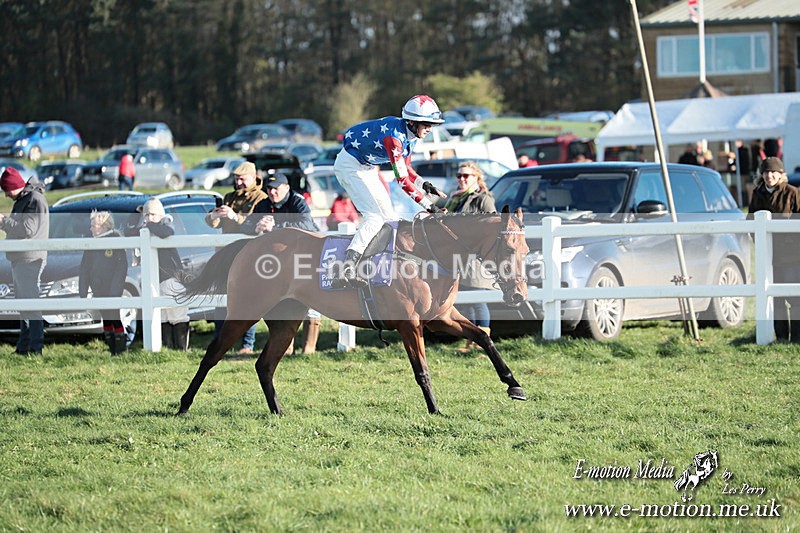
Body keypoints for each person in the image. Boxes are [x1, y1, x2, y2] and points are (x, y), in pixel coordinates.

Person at [333, 94, 448, 286]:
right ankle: (346, 268)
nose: (430, 128)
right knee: (374, 217)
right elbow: (401, 180)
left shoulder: (411, 135)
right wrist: (430, 207)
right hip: (350, 165)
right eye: (426, 123)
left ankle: (373, 264)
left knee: (390, 217)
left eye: (432, 124)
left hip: (367, 166)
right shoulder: (394, 139)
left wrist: (425, 185)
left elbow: (407, 170)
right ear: (412, 122)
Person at [246, 172, 323, 354]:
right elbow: (247, 224)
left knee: (310, 299)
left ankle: (308, 351)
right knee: (283, 302)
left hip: (306, 256)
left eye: (276, 188)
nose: (272, 192)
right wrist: (254, 227)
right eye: (269, 189)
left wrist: (275, 227)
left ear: (287, 188)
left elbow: (307, 226)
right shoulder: (263, 204)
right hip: (281, 262)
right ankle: (286, 348)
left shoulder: (297, 201)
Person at [205, 161, 267, 354]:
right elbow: (212, 223)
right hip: (225, 254)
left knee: (247, 298)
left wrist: (235, 217)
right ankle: (220, 341)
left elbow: (254, 223)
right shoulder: (229, 197)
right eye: (236, 178)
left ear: (254, 178)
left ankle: (247, 344)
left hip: (247, 255)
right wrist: (214, 217)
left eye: (243, 178)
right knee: (221, 297)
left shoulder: (261, 198)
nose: (239, 182)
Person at [444, 162, 496, 353]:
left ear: (477, 178)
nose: (462, 179)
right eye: (459, 175)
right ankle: (473, 341)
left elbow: (492, 224)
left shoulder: (483, 198)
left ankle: (484, 343)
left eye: (467, 175)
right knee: (466, 300)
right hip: (457, 257)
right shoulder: (456, 198)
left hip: (476, 257)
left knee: (478, 300)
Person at [125, 197, 190, 350]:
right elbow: (128, 231)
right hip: (154, 280)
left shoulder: (165, 223)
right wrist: (136, 214)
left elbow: (166, 232)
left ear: (160, 215)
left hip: (172, 277)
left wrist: (149, 225)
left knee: (177, 314)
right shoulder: (144, 229)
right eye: (147, 215)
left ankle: (181, 350)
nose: (149, 218)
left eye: (153, 215)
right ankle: (168, 350)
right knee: (162, 316)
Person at [747, 157, 800, 341]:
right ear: (762, 174)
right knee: (775, 299)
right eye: (766, 172)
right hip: (769, 256)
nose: (770, 175)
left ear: (780, 174)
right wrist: (760, 245)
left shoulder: (793, 193)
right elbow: (751, 221)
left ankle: (797, 337)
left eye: (774, 172)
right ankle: (781, 337)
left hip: (792, 256)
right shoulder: (757, 194)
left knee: (794, 299)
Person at [0, 167, 49, 355]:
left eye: (6, 190)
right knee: (23, 304)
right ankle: (24, 346)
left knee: (30, 304)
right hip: (22, 258)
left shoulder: (34, 200)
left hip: (30, 259)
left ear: (14, 186)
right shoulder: (25, 199)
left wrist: (4, 222)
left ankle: (35, 347)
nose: (5, 195)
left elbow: (28, 229)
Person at [80, 211, 129, 354]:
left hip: (112, 289)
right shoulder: (91, 244)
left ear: (104, 226)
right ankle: (111, 348)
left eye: (94, 226)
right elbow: (85, 268)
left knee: (114, 316)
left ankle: (120, 349)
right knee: (105, 318)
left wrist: (115, 290)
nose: (91, 229)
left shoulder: (115, 242)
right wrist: (83, 289)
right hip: (98, 288)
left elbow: (121, 268)